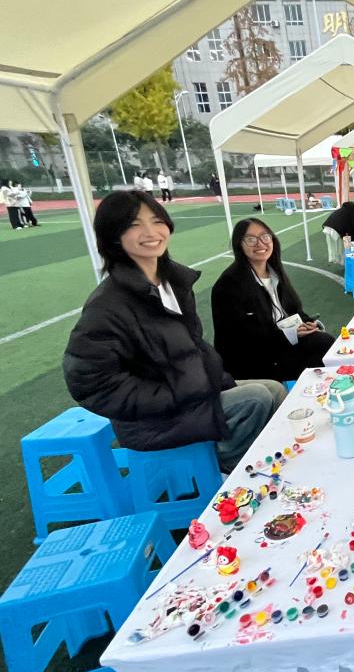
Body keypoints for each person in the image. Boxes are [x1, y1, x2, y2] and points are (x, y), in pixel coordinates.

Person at [62, 190, 286, 473]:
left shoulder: (172, 283)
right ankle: (228, 473)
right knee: (255, 399)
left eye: (157, 221)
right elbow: (87, 382)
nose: (150, 232)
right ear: (113, 235)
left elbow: (193, 350)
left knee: (274, 389)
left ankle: (271, 460)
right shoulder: (108, 304)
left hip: (195, 394)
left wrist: (217, 381)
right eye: (134, 225)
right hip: (155, 421)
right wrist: (167, 396)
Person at [211, 218, 334, 382]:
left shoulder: (274, 273)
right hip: (256, 360)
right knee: (322, 347)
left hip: (281, 346)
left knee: (325, 342)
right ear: (239, 244)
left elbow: (293, 310)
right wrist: (290, 335)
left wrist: (308, 323)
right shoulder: (229, 285)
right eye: (251, 239)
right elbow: (241, 341)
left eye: (265, 236)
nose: (260, 243)